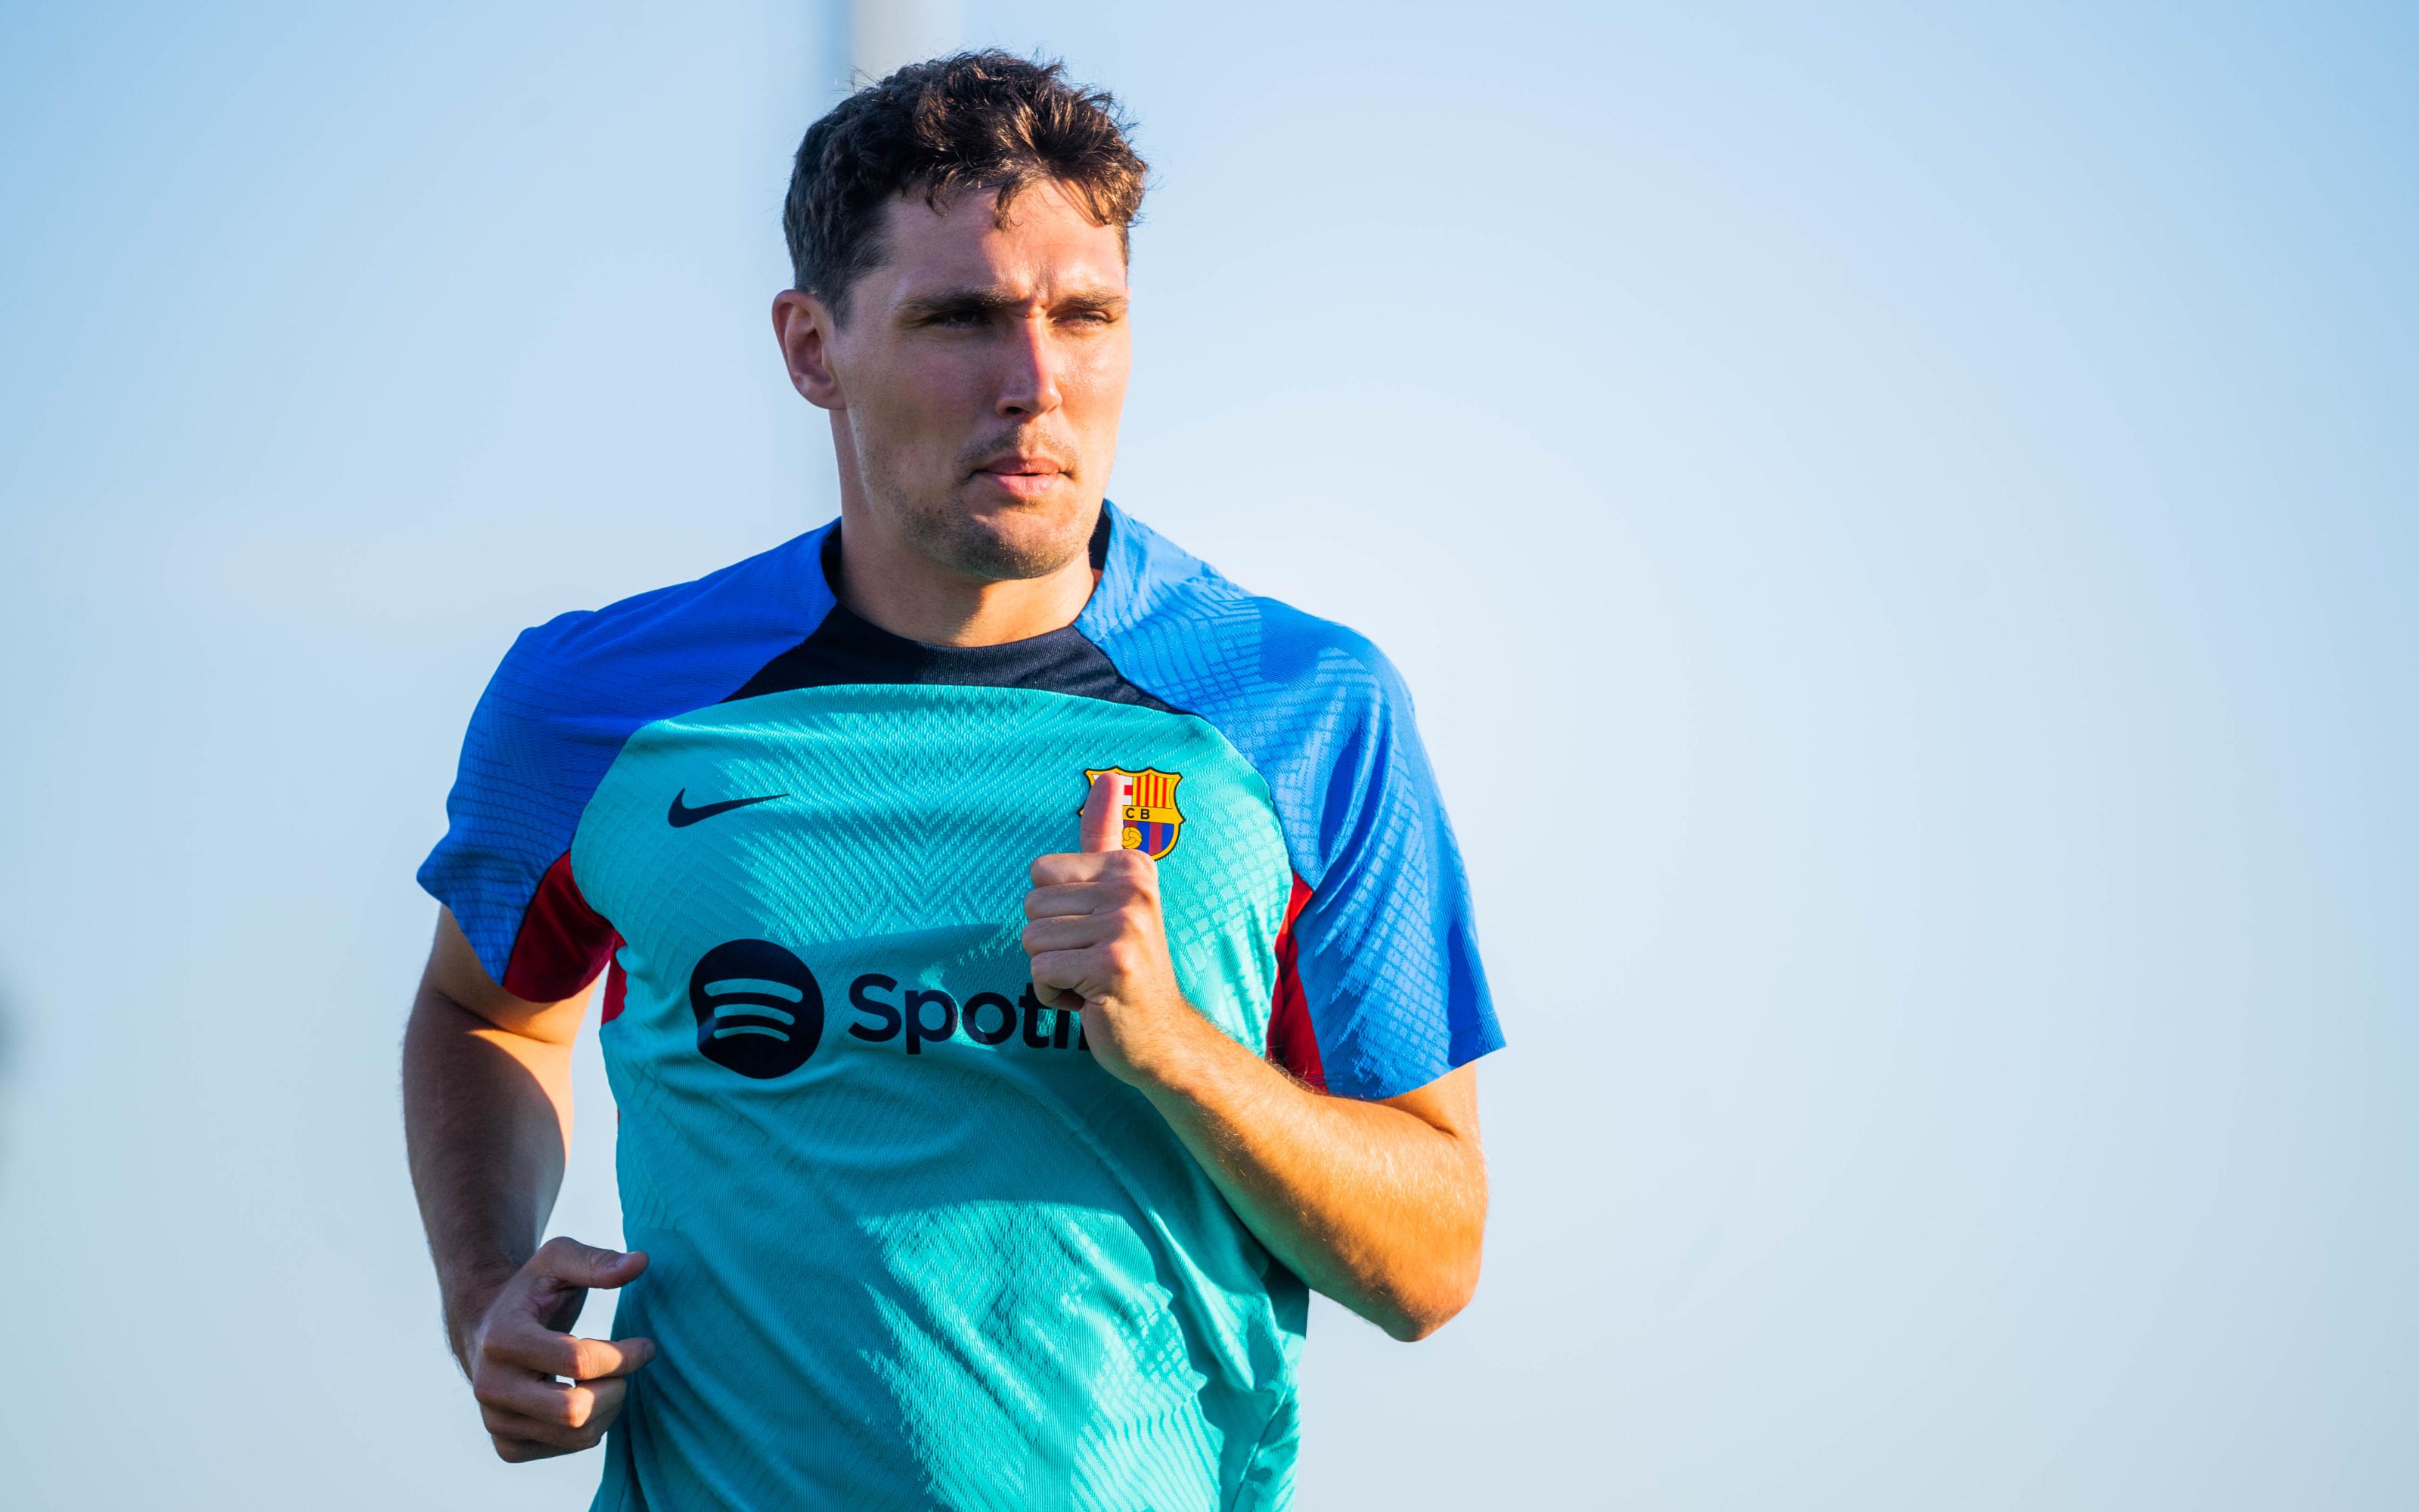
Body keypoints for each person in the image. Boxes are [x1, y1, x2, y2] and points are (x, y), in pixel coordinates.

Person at [404, 50, 1503, 1511]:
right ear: (813, 348)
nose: (1035, 384)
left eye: (1086, 317)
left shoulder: (1303, 707)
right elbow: (487, 1011)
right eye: (961, 318)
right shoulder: (597, 706)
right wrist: (483, 1290)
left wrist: (1176, 1048)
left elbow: (1431, 1260)